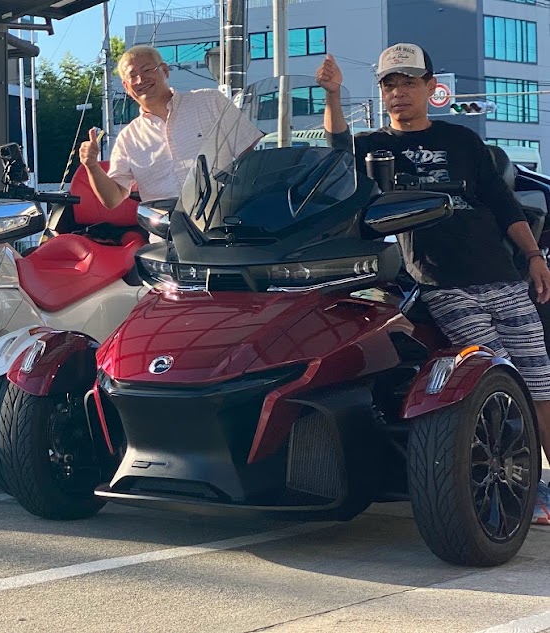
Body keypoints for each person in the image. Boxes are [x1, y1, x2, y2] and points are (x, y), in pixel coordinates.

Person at [319, 44, 550, 525]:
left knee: (539, 383)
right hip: (440, 284)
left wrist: (533, 257)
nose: (398, 92)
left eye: (408, 82)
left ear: (430, 87)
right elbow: (336, 153)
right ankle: (519, 485)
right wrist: (334, 96)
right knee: (495, 378)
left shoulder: (462, 140)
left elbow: (503, 204)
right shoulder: (371, 147)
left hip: (501, 276)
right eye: (389, 84)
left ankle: (544, 481)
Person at [79, 45, 262, 207]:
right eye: (132, 76)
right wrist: (92, 165)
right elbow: (112, 199)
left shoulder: (210, 101)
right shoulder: (128, 138)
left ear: (165, 71)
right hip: (166, 229)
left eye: (147, 70)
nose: (141, 80)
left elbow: (249, 156)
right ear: (126, 87)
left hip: (222, 221)